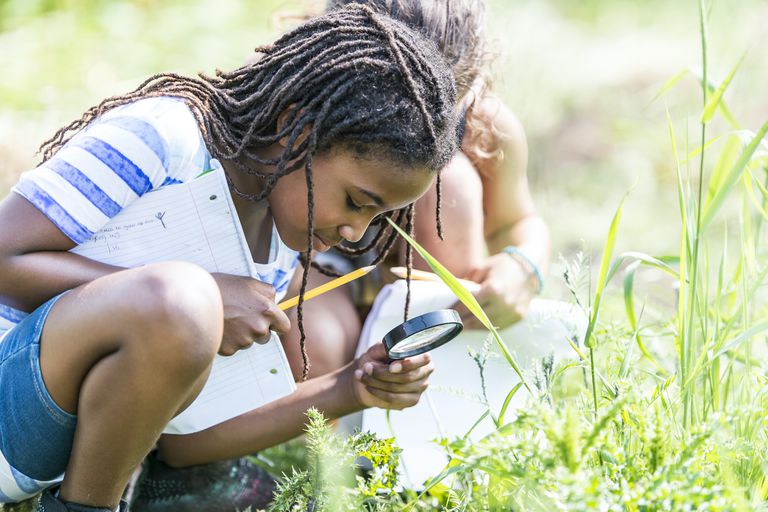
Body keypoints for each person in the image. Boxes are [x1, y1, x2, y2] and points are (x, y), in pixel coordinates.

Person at [0, 5, 459, 511]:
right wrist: (201, 298)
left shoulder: (279, 243)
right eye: (356, 201)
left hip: (43, 457)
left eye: (378, 218)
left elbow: (182, 442)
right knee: (182, 301)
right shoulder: (166, 138)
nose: (356, 231)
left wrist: (352, 386)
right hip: (10, 401)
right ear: (297, 129)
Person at [281, 0, 551, 381]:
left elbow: (518, 220)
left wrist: (523, 267)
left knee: (451, 185)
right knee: (317, 342)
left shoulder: (483, 125)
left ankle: (439, 393)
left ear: (468, 84)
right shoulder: (297, 92)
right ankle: (331, 425)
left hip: (419, 277)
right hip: (316, 262)